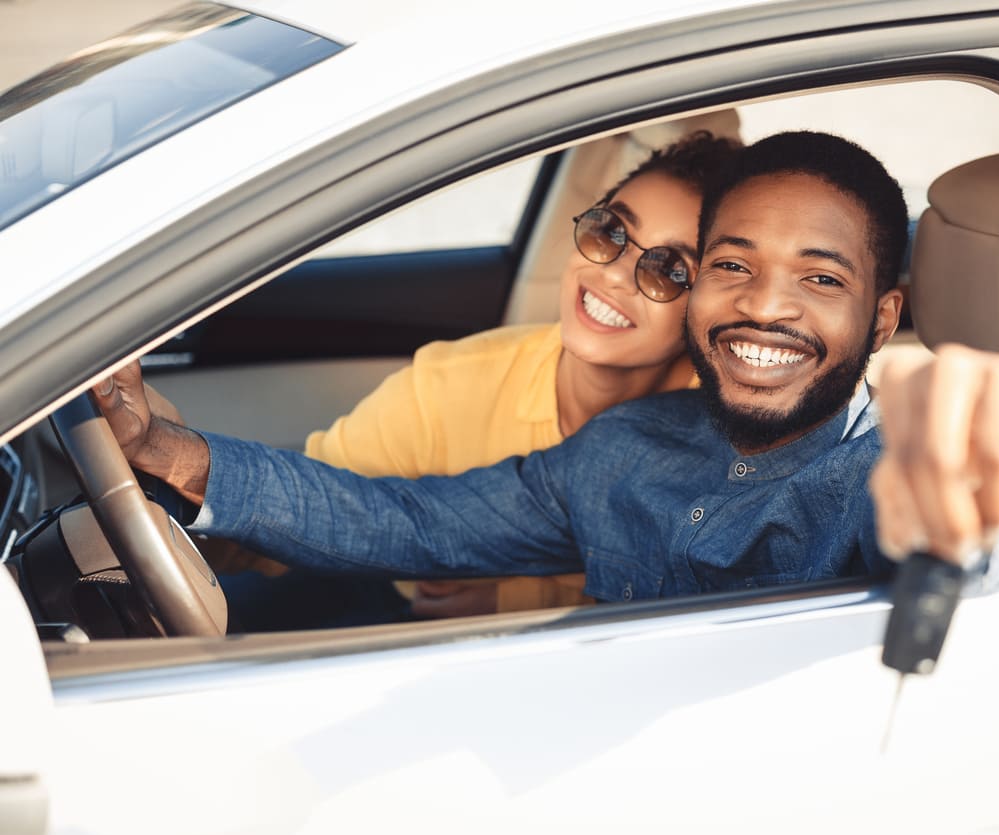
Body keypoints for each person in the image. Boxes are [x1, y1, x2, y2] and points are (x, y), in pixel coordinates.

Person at [96, 131, 999, 604]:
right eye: (730, 265)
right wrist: (170, 451)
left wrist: (979, 485)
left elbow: (954, 546)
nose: (764, 305)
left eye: (818, 278)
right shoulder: (618, 452)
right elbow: (406, 519)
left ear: (883, 316)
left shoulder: (880, 467)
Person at [216, 130, 741, 627]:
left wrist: (511, 600)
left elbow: (713, 610)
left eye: (669, 270)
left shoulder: (734, 442)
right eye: (611, 233)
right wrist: (178, 492)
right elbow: (308, 504)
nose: (610, 274)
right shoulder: (452, 382)